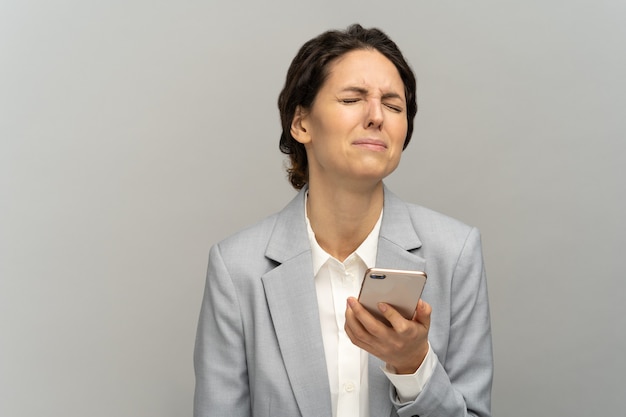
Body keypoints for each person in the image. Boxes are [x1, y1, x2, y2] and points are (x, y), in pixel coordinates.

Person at [194, 24, 493, 417]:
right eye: (353, 98)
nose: (376, 116)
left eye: (393, 105)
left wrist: (414, 366)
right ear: (301, 123)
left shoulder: (455, 255)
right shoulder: (237, 269)